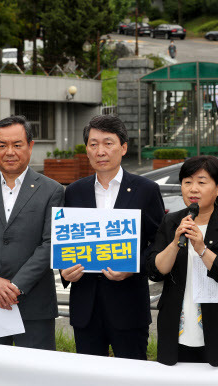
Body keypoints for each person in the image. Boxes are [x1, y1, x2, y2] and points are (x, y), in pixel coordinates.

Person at [60, 115, 165, 359]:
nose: (100, 151)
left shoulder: (146, 190)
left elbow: (160, 242)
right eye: (93, 144)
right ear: (86, 149)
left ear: (123, 147)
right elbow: (64, 241)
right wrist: (65, 271)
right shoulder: (75, 191)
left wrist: (133, 266)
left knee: (132, 376)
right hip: (86, 307)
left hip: (128, 305)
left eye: (108, 143)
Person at [0, 115, 64, 350]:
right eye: (2, 145)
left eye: (17, 145)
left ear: (30, 146)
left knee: (35, 375)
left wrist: (16, 285)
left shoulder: (52, 190)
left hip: (34, 301)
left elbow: (50, 244)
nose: (10, 152)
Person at [146, 156, 218, 366]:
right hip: (176, 327)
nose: (193, 189)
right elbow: (155, 272)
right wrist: (176, 241)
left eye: (201, 182)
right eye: (187, 182)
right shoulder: (171, 221)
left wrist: (202, 249)